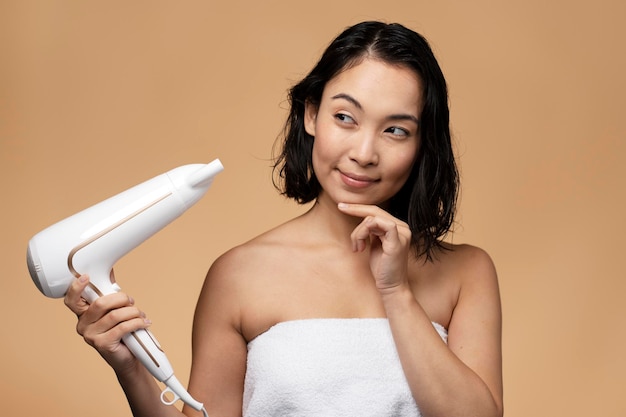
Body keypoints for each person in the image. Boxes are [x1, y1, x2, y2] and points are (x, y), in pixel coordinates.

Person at [64, 21, 503, 417]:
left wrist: (397, 292)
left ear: (422, 143)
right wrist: (130, 366)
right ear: (311, 114)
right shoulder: (239, 275)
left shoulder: (466, 273)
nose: (364, 153)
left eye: (395, 130)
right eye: (345, 117)